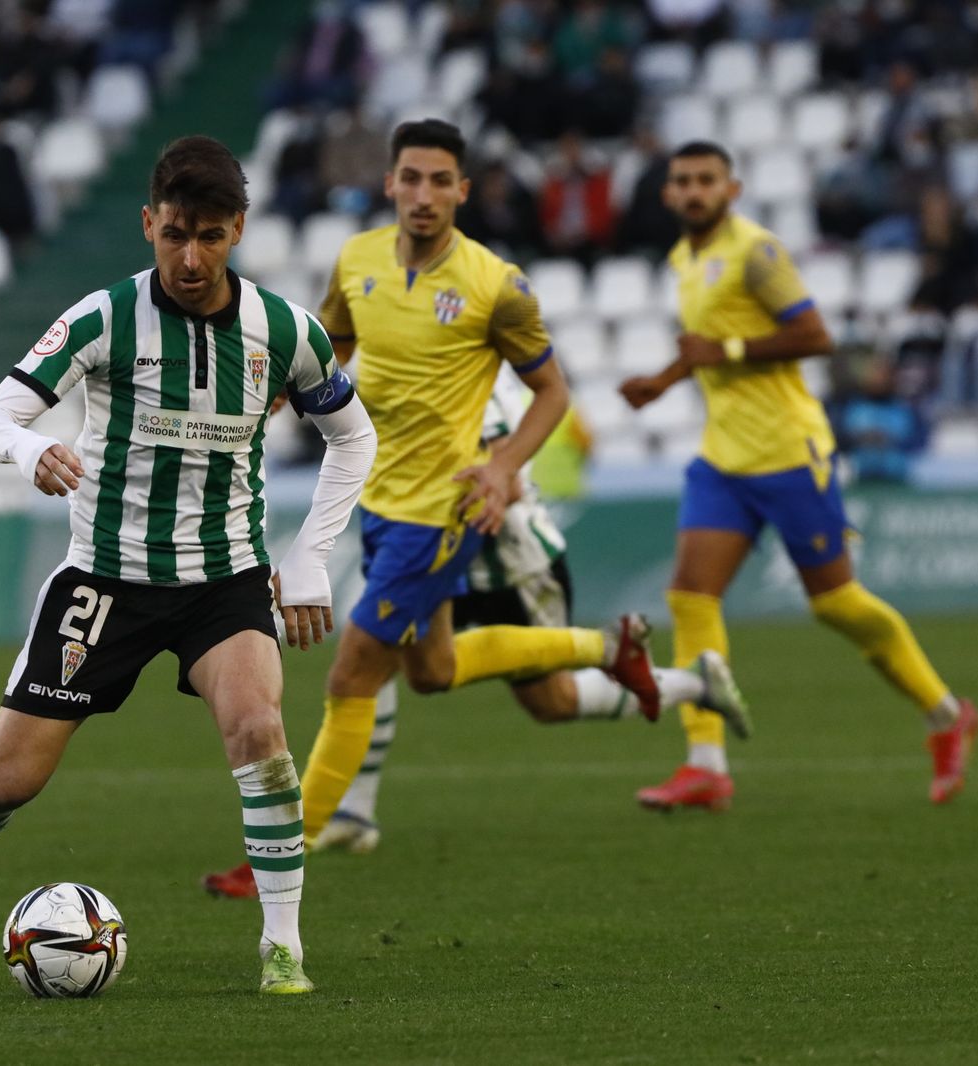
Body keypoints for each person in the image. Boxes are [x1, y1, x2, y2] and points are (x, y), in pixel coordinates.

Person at [0, 135, 376, 995]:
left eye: (212, 237)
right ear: (148, 223)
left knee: (260, 731)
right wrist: (27, 449)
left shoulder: (284, 331)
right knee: (6, 783)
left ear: (240, 230)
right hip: (104, 580)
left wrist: (308, 557)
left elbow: (352, 436)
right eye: (175, 234)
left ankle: (283, 947)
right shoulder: (102, 318)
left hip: (223, 582)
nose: (191, 258)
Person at [206, 119, 663, 900]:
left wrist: (502, 467)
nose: (423, 194)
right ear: (389, 184)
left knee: (351, 676)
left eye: (439, 180)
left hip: (440, 513)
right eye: (409, 178)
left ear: (462, 191)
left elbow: (553, 393)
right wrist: (290, 389)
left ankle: (284, 851)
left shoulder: (496, 285)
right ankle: (603, 647)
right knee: (434, 671)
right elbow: (333, 343)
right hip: (376, 498)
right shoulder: (357, 261)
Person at [205, 375, 750, 884]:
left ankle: (689, 683)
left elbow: (504, 479)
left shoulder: (481, 384)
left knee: (550, 702)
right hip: (434, 553)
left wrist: (429, 495)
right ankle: (354, 811)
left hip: (512, 567)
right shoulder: (409, 351)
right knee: (375, 660)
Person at [619, 141, 978, 812]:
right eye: (683, 182)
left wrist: (720, 350)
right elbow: (707, 346)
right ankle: (706, 765)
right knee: (691, 598)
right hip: (723, 459)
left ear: (732, 187)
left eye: (706, 180)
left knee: (836, 603)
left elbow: (816, 336)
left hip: (789, 453)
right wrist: (664, 381)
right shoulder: (683, 258)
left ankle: (945, 712)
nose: (694, 191)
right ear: (668, 194)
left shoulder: (757, 252)